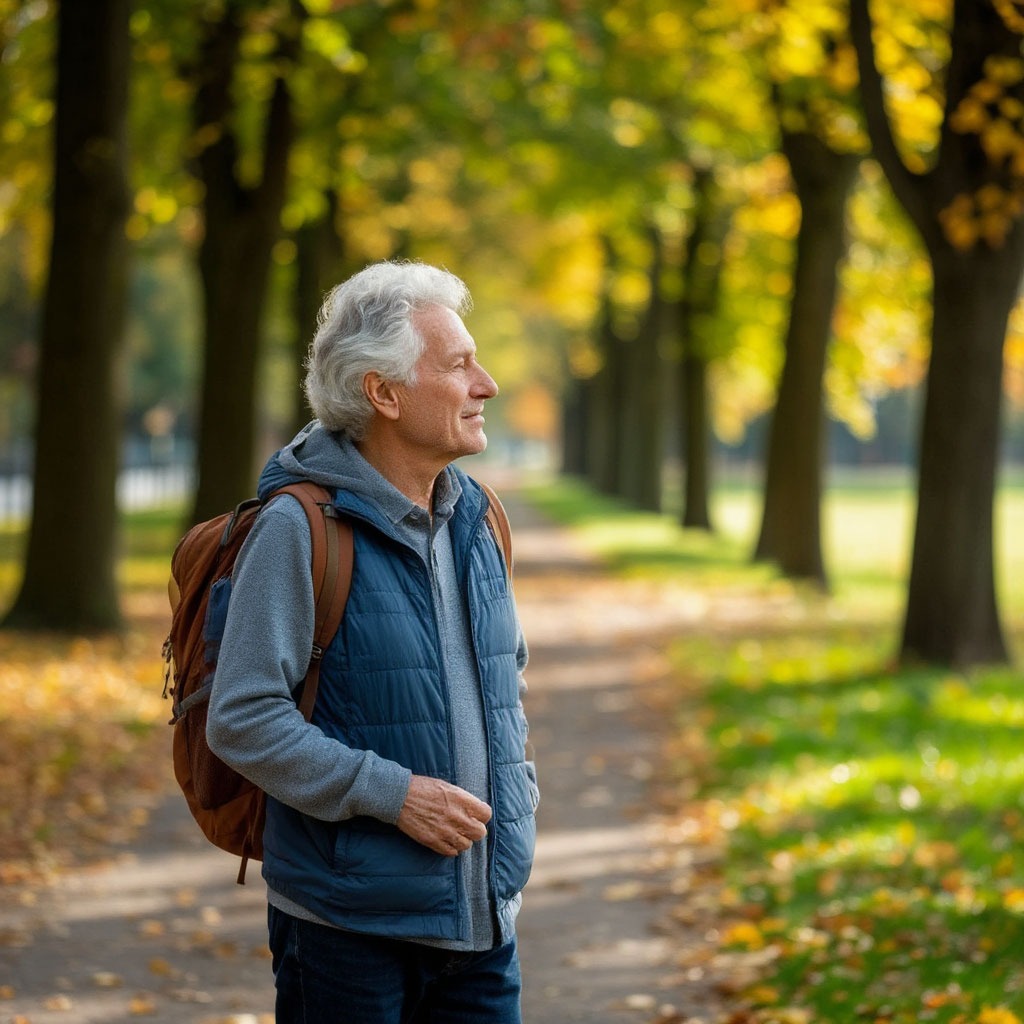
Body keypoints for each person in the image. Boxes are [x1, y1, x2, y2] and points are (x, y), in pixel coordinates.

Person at [206, 260, 538, 1023]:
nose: (485, 383)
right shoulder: (299, 530)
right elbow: (243, 717)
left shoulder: (478, 519)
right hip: (347, 935)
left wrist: (518, 805)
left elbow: (506, 685)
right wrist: (393, 796)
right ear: (382, 393)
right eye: (458, 366)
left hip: (484, 929)